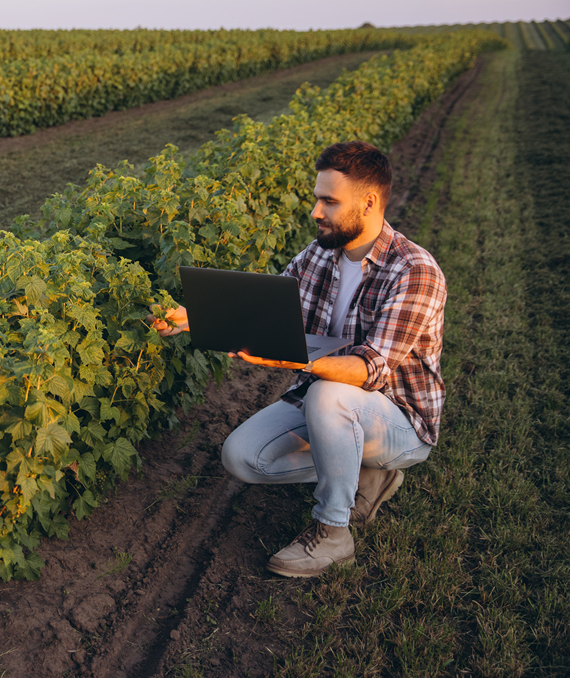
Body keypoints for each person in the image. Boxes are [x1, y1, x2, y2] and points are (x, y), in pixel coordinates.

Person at [148, 141, 446, 578]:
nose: (315, 212)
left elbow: (370, 370)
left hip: (399, 419)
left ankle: (332, 533)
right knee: (243, 458)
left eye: (328, 201)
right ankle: (362, 472)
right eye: (316, 198)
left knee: (329, 394)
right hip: (335, 408)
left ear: (368, 202)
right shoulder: (319, 254)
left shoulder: (414, 271)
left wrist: (294, 363)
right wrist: (193, 318)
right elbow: (266, 314)